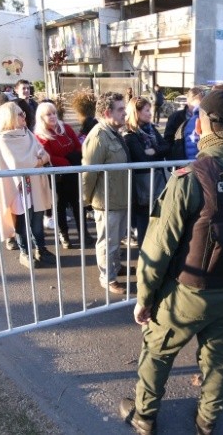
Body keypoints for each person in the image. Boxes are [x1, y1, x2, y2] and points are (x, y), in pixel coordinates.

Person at [119, 90, 223, 435]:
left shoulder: (190, 178)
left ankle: (144, 417)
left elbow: (157, 250)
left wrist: (144, 300)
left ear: (206, 123)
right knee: (219, 359)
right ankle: (207, 420)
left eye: (198, 118)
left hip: (187, 295)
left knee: (158, 353)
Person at [0, 102, 53, 269]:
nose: (24, 116)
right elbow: (20, 163)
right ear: (9, 116)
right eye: (19, 114)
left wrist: (39, 160)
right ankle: (25, 253)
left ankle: (41, 249)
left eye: (23, 113)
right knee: (23, 223)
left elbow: (43, 153)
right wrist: (39, 160)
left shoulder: (28, 134)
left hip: (35, 185)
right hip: (18, 189)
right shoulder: (3, 139)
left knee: (37, 221)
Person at [82, 92, 131, 294]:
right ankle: (107, 278)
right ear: (106, 112)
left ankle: (115, 267)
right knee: (107, 242)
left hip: (119, 197)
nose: (125, 113)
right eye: (120, 109)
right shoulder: (99, 136)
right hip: (107, 201)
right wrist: (86, 200)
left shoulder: (114, 132)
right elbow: (88, 173)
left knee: (116, 239)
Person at [34, 101, 87, 249]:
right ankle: (64, 235)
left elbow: (78, 146)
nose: (52, 116)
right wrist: (68, 161)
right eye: (48, 114)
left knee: (78, 204)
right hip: (57, 177)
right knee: (60, 206)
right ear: (41, 117)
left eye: (54, 113)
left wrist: (73, 158)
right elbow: (48, 156)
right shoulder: (40, 135)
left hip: (73, 172)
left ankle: (84, 233)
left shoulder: (66, 128)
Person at [123, 97, 171, 247]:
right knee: (143, 218)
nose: (150, 113)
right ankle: (143, 254)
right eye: (147, 110)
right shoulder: (130, 134)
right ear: (136, 112)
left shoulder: (150, 128)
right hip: (141, 184)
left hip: (156, 180)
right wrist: (155, 152)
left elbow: (166, 146)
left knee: (157, 217)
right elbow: (142, 157)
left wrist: (154, 150)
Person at [164, 87, 205, 160]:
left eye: (201, 105)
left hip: (200, 161)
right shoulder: (175, 117)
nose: (198, 108)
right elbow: (168, 140)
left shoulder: (206, 117)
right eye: (197, 105)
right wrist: (172, 160)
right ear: (188, 102)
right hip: (180, 162)